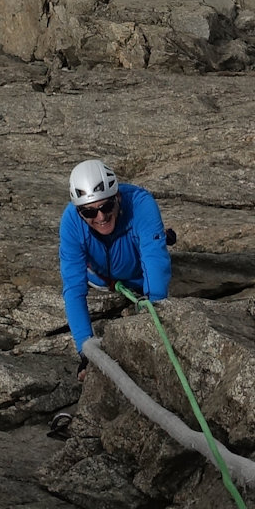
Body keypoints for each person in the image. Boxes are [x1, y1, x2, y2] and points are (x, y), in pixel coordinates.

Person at [56, 158, 172, 392]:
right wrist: (86, 351)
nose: (100, 217)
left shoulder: (141, 205)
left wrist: (154, 312)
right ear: (79, 212)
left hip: (139, 277)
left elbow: (155, 261)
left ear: (117, 197)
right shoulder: (71, 223)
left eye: (106, 207)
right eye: (89, 212)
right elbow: (74, 288)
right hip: (100, 279)